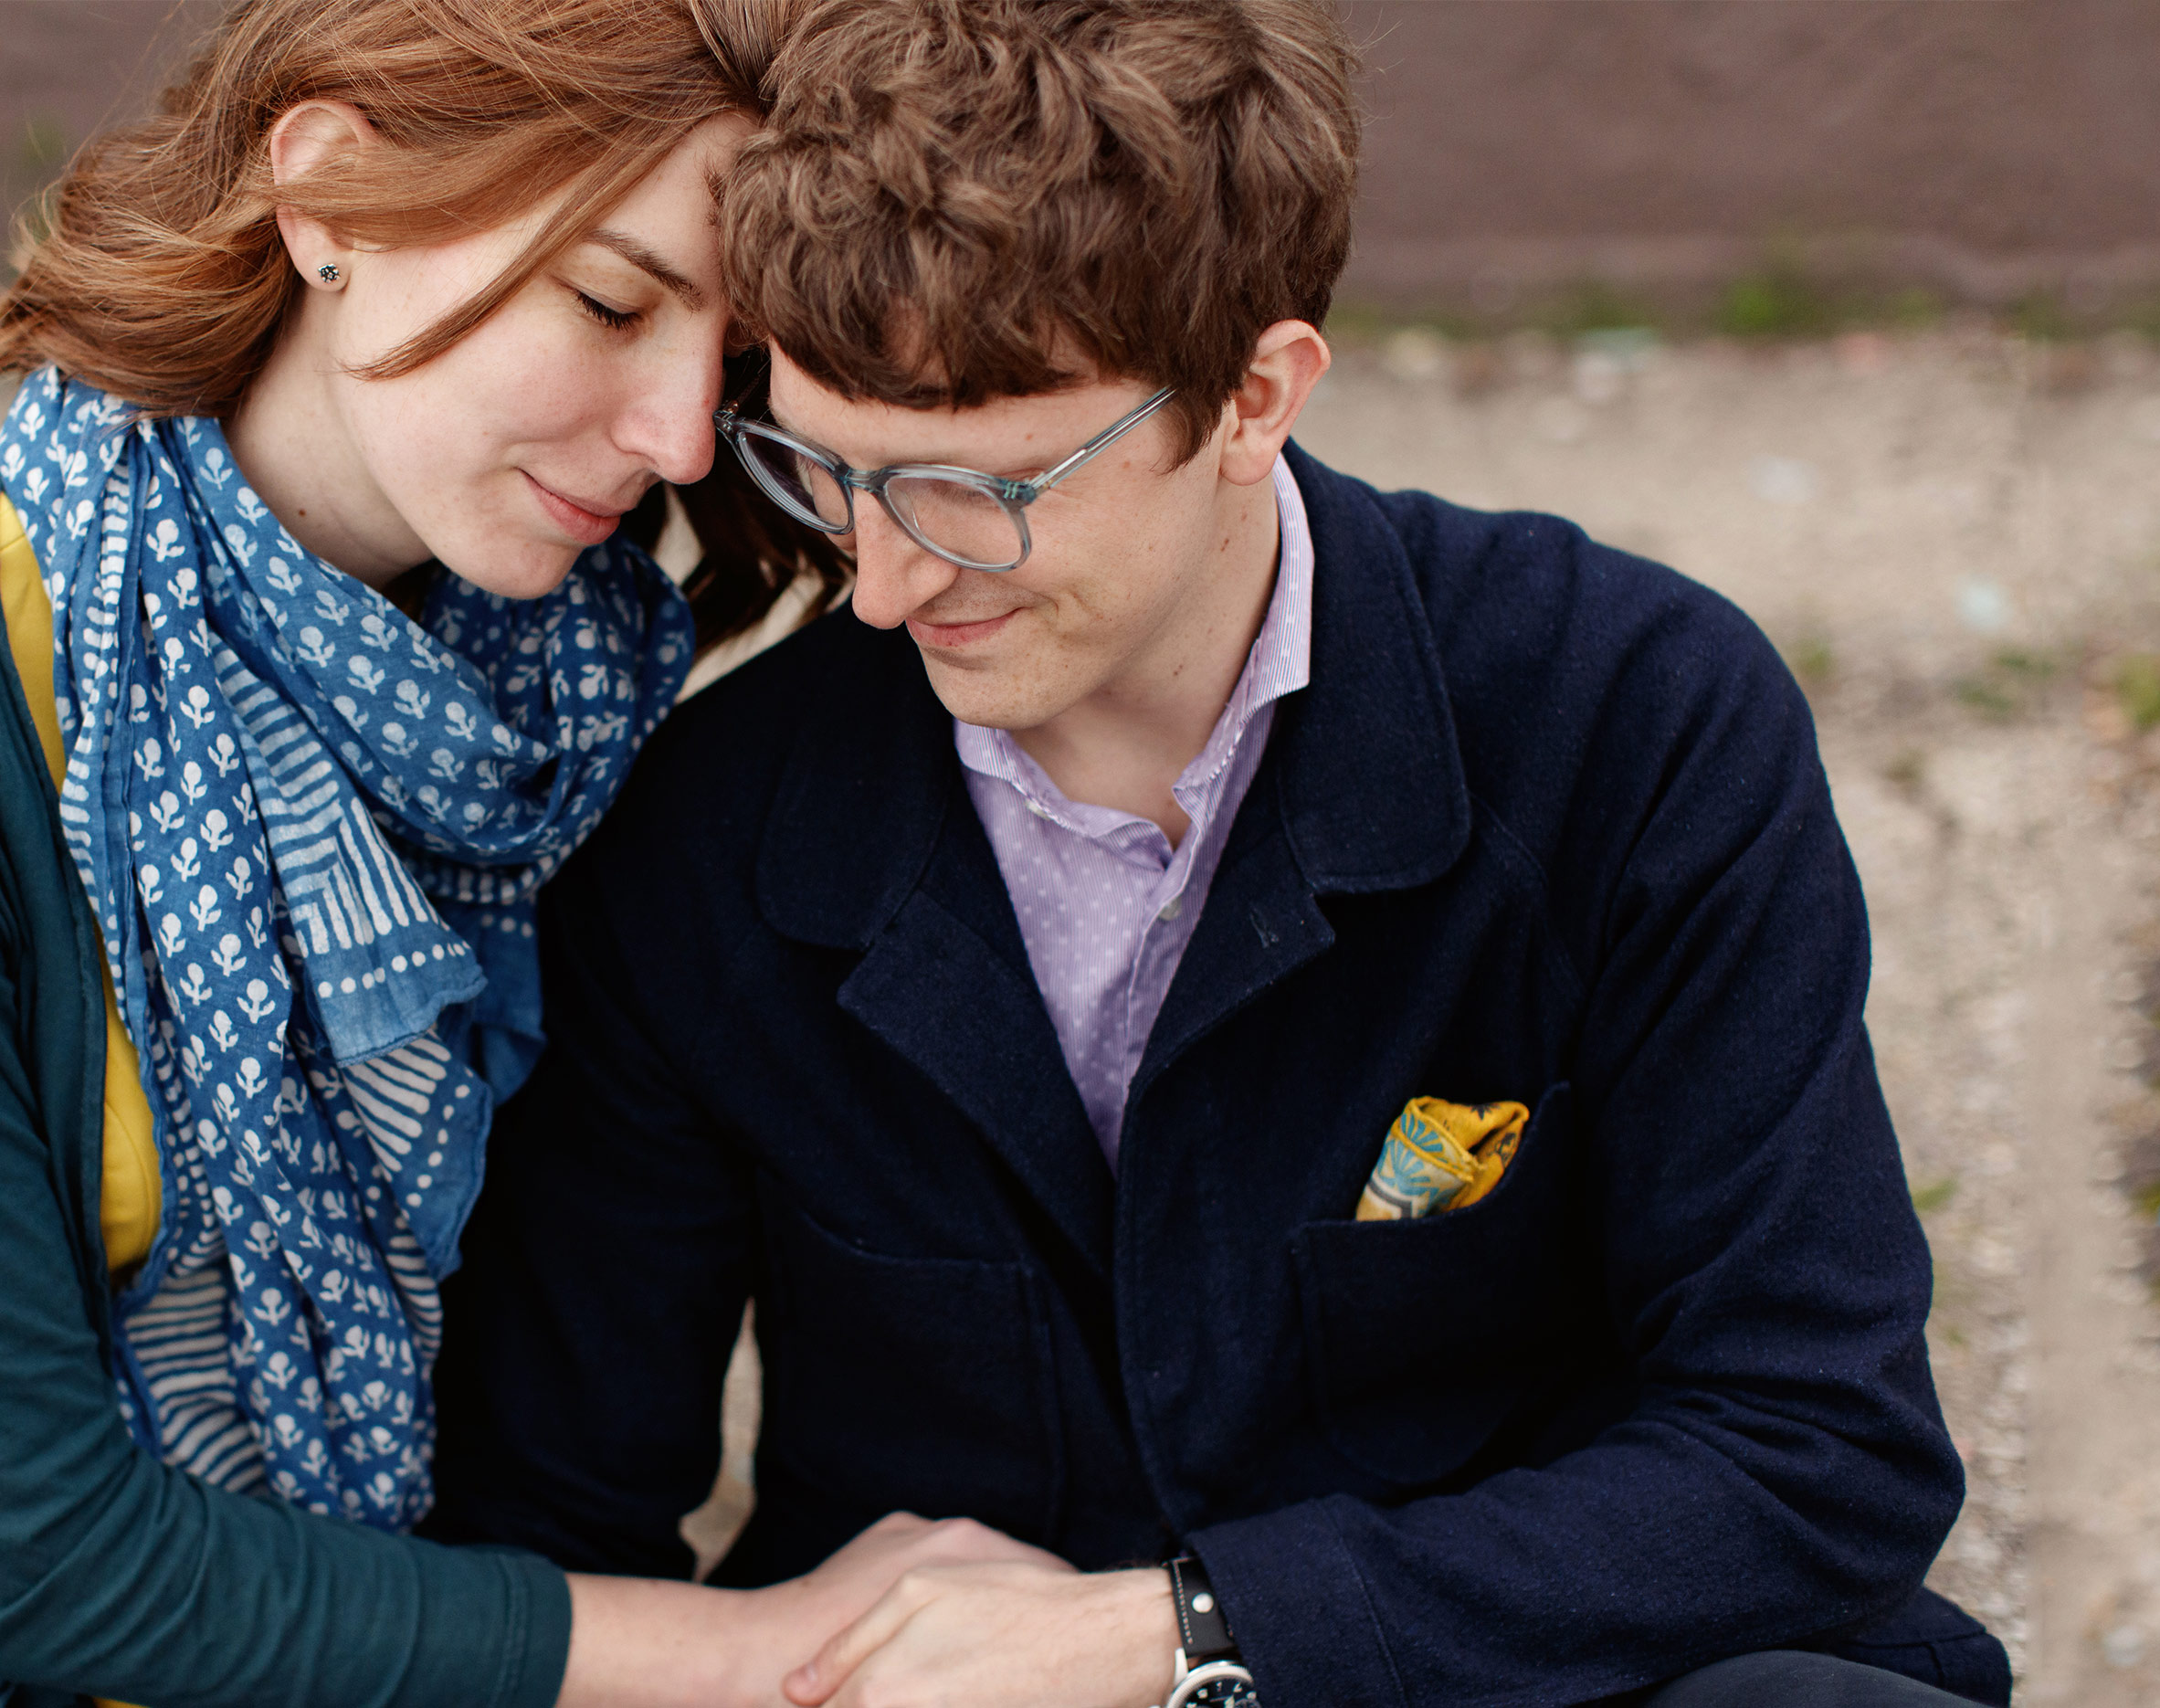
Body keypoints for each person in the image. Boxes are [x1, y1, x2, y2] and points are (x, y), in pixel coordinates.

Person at [422, 2, 2015, 1705]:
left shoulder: (1630, 716)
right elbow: (553, 1523)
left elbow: (1818, 1447)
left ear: (1255, 396)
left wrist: (1186, 1630)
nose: (880, 585)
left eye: (978, 490)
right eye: (825, 467)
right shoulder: (706, 832)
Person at [0, 2, 1038, 1704]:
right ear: (328, 198)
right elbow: (29, 1559)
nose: (685, 438)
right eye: (612, 304)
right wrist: (759, 1653)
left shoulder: (567, 696)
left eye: (736, 352)